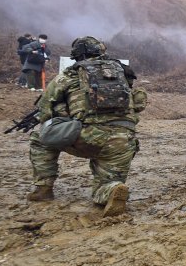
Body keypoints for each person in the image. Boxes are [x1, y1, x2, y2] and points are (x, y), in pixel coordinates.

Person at [27, 36, 147, 217]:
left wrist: (64, 114)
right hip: (122, 143)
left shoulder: (69, 75)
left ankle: (43, 188)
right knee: (108, 182)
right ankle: (111, 190)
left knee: (40, 138)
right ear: (101, 51)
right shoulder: (122, 73)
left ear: (76, 55)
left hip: (86, 137)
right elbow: (139, 104)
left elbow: (46, 111)